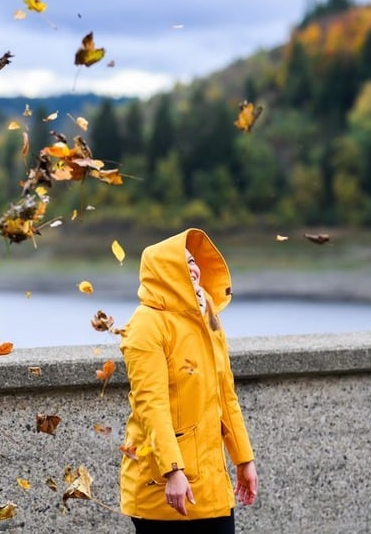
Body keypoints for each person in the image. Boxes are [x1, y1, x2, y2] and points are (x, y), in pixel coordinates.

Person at [119, 228, 258, 533]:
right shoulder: (146, 324)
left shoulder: (206, 315)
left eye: (194, 260)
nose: (193, 268)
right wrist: (172, 471)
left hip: (211, 482)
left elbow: (225, 394)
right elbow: (150, 405)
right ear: (166, 272)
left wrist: (243, 458)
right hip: (163, 486)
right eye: (183, 263)